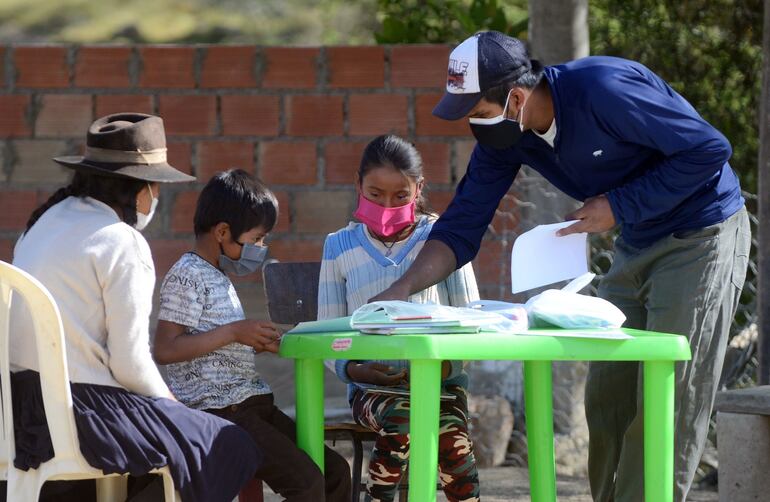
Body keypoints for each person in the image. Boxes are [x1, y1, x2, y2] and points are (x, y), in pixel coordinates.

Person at [372, 31, 751, 502]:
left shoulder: (603, 90)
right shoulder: (505, 138)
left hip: (702, 234)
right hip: (638, 238)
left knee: (669, 393)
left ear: (514, 98)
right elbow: (462, 226)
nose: (472, 125)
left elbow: (710, 149)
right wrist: (400, 290)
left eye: (476, 112)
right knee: (608, 394)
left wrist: (618, 204)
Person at [9, 113, 260, 502]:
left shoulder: (39, 224)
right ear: (138, 188)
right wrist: (172, 405)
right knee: (228, 443)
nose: (156, 198)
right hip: (83, 413)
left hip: (20, 412)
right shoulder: (121, 241)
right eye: (156, 187)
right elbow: (130, 365)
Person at [152, 169, 351, 502]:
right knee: (306, 484)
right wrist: (234, 331)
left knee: (335, 472)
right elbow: (166, 348)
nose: (261, 247)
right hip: (223, 410)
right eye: (257, 238)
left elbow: (212, 342)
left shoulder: (217, 275)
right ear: (223, 231)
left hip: (253, 404)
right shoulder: (187, 274)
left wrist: (251, 343)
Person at [318, 135, 481, 502]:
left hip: (442, 387)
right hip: (371, 392)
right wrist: (355, 369)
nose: (387, 206)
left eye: (400, 196)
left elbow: (473, 321)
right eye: (375, 194)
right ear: (358, 184)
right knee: (403, 418)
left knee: (452, 442)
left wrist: (442, 368)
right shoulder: (339, 246)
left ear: (419, 188)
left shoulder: (444, 239)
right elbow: (327, 333)